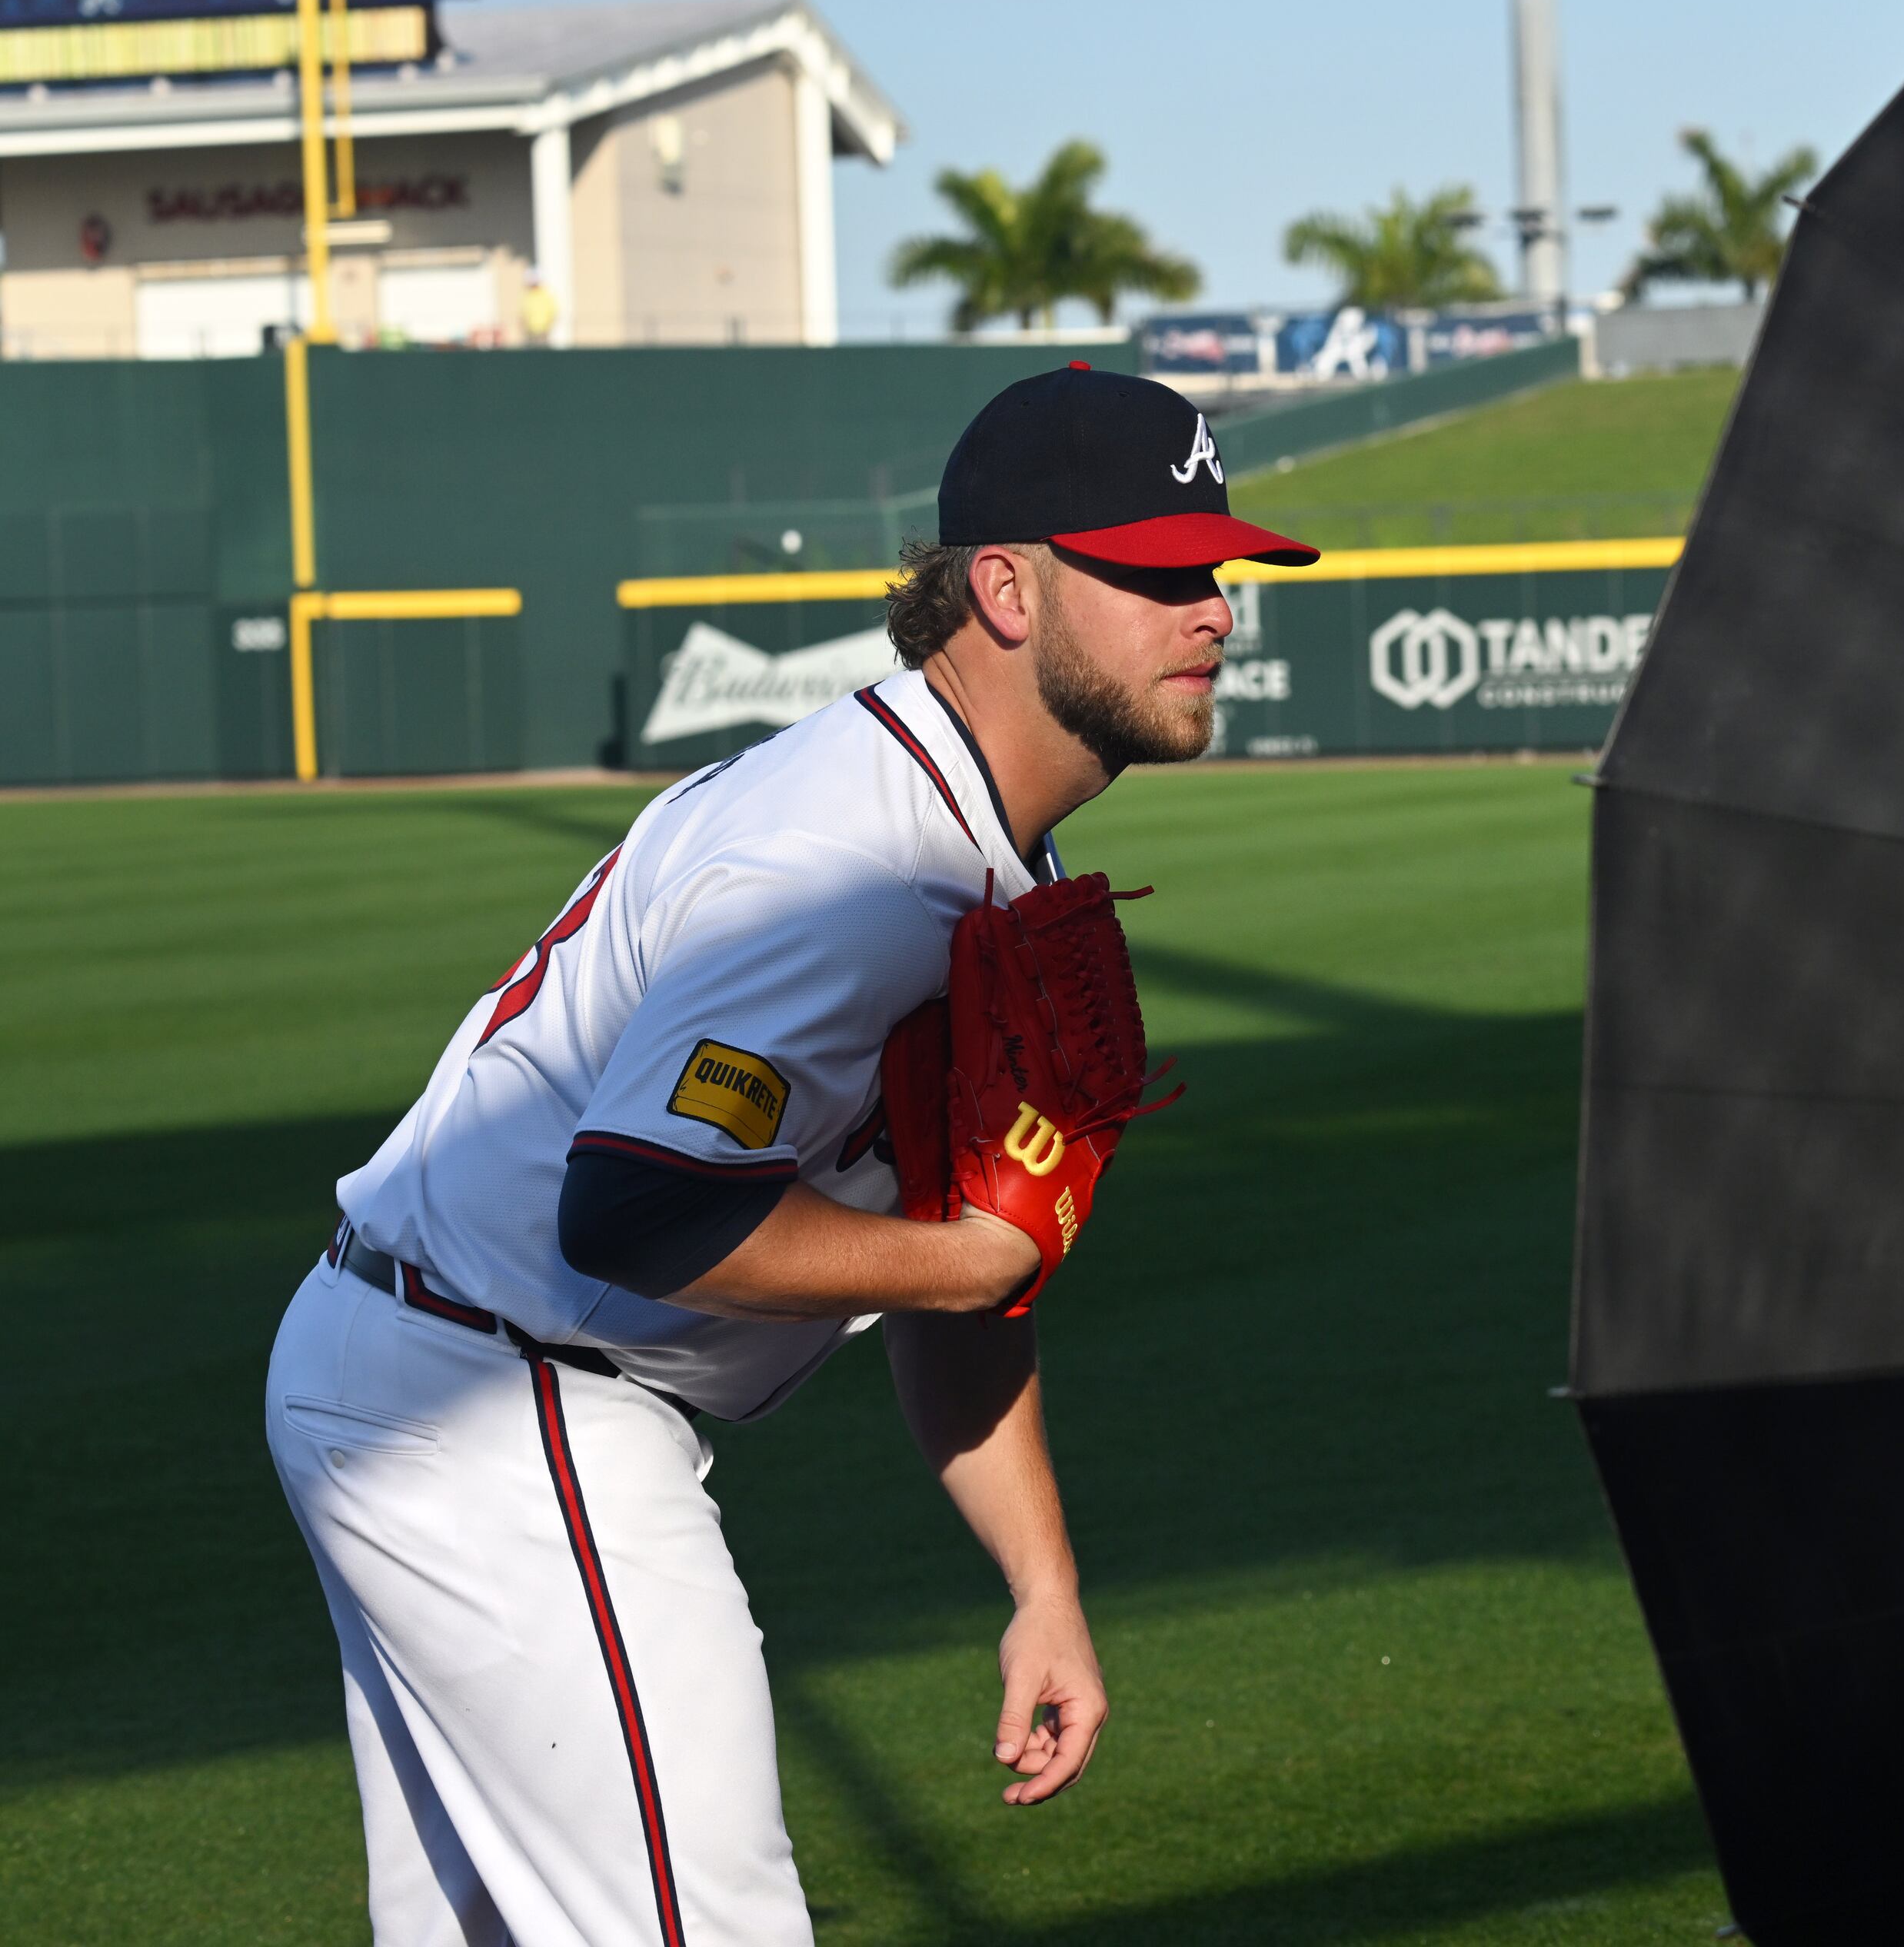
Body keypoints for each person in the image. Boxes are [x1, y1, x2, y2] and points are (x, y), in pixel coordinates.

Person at [264, 364, 1317, 1945]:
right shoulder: (848, 855)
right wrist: (970, 1254)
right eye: (1160, 567)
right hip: (496, 1399)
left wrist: (1042, 1579)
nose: (1215, 603)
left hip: (435, 1367)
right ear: (1010, 589)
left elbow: (960, 1272)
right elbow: (640, 1202)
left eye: (1217, 565)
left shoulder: (964, 843)